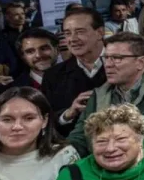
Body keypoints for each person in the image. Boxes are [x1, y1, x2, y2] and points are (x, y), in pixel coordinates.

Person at [66, 32, 144, 158]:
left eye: (117, 58)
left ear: (140, 62)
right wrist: (64, 155)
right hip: (102, 172)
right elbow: (79, 137)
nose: (108, 64)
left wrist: (125, 164)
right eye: (106, 57)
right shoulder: (97, 95)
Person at [40, 8, 107, 137]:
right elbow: (45, 120)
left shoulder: (126, 64)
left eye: (80, 32)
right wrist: (67, 115)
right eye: (68, 33)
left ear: (100, 32)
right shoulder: (53, 76)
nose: (72, 39)